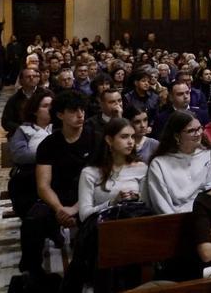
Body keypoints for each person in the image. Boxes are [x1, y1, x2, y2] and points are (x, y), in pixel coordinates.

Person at [64, 117, 149, 292]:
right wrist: (112, 202)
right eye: (124, 137)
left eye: (132, 137)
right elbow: (85, 214)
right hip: (101, 230)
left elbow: (148, 203)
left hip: (133, 227)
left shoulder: (141, 168)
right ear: (109, 140)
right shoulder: (90, 172)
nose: (130, 142)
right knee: (109, 243)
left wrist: (136, 197)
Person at [21, 90, 96, 280]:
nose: (80, 115)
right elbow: (43, 185)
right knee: (33, 220)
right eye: (73, 111)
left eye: (82, 110)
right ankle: (33, 271)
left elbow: (101, 180)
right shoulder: (49, 144)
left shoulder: (96, 139)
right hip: (58, 197)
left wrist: (76, 208)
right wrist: (60, 209)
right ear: (60, 114)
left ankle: (92, 266)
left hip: (89, 196)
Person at [147, 110, 211, 214]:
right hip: (172, 220)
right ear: (177, 136)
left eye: (199, 128)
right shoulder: (159, 164)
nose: (198, 134)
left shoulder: (209, 155)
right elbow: (160, 203)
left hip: (206, 214)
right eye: (191, 131)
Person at [8, 90, 53, 218]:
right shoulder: (23, 130)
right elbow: (20, 155)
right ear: (34, 110)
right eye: (45, 106)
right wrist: (48, 156)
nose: (50, 109)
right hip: (29, 178)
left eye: (52, 106)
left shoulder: (58, 128)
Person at [2, 68, 42, 136]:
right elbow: (6, 122)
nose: (32, 78)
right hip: (21, 133)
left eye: (34, 76)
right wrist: (22, 128)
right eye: (28, 76)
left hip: (42, 131)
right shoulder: (14, 99)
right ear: (21, 81)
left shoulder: (46, 95)